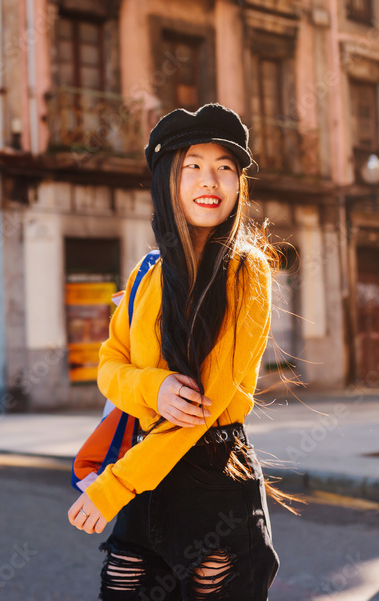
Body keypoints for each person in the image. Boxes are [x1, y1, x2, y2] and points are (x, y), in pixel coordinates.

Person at [67, 103, 293, 599]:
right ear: (168, 179)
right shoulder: (146, 273)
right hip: (144, 469)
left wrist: (113, 487)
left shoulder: (246, 271)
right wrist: (155, 385)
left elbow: (203, 407)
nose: (209, 180)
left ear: (239, 184)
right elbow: (108, 366)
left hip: (211, 475)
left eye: (225, 168)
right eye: (193, 166)